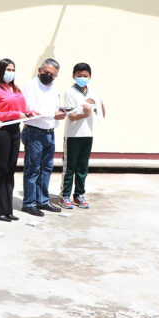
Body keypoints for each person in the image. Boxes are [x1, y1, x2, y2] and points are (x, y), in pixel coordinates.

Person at [20, 58, 67, 216]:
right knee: (33, 169)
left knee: (46, 168)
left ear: (56, 76)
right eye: (45, 72)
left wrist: (62, 111)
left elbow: (55, 107)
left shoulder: (54, 88)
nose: (48, 76)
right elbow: (31, 109)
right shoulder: (31, 86)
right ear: (39, 70)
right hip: (34, 131)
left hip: (49, 132)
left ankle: (42, 200)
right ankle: (29, 202)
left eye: (51, 74)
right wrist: (53, 115)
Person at [0, 59, 31, 221]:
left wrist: (30, 113)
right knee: (2, 168)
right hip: (1, 131)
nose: (10, 72)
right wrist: (15, 115)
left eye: (13, 69)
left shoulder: (15, 88)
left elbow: (22, 109)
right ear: (0, 71)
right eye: (7, 69)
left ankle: (7, 208)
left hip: (14, 130)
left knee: (10, 169)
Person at [60, 62, 105, 209]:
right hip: (73, 135)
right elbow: (71, 115)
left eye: (85, 76)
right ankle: (65, 195)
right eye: (79, 76)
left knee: (82, 167)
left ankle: (79, 195)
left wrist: (99, 103)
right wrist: (84, 114)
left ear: (90, 76)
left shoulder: (93, 92)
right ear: (73, 76)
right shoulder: (70, 92)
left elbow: (101, 114)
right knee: (70, 167)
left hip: (88, 135)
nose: (82, 78)